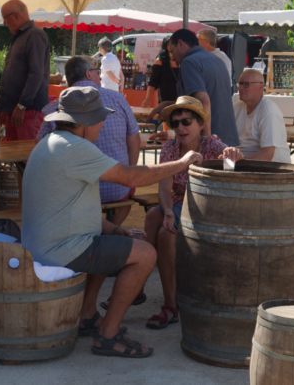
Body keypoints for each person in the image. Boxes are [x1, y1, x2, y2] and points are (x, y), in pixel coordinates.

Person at [22, 86, 204, 358]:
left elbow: (71, 210)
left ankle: (87, 315)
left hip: (43, 245)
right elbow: (132, 177)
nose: (103, 124)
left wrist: (118, 229)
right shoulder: (76, 148)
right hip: (60, 250)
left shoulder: (49, 143)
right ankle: (108, 335)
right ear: (84, 123)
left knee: (113, 242)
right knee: (145, 255)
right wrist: (182, 163)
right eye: (100, 118)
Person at [141, 96, 241, 330]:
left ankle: (149, 291)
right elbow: (164, 189)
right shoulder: (170, 147)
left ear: (201, 125)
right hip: (178, 206)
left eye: (187, 121)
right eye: (175, 124)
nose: (181, 128)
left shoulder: (212, 146)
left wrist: (235, 155)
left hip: (202, 208)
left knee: (160, 228)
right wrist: (167, 211)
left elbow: (233, 163)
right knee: (156, 218)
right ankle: (166, 301)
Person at [37, 56, 140, 225]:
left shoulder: (52, 108)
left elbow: (40, 148)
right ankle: (110, 230)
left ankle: (103, 231)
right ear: (89, 74)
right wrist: (130, 176)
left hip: (74, 192)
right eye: (97, 72)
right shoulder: (117, 98)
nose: (100, 76)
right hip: (118, 187)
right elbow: (134, 139)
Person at [148, 29, 240, 147]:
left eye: (171, 51)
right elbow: (206, 100)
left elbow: (203, 100)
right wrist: (168, 104)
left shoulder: (189, 62)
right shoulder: (217, 60)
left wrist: (206, 141)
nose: (172, 57)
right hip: (228, 138)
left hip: (210, 141)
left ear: (181, 44)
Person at [0, 0, 50, 141]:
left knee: (29, 156)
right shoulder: (19, 36)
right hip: (16, 108)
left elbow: (36, 73)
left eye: (5, 18)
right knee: (13, 155)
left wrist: (22, 106)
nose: (4, 23)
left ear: (16, 15)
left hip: (28, 109)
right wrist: (5, 107)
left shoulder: (34, 34)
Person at [232, 68, 291, 163]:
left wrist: (240, 163)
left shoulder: (269, 111)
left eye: (246, 84)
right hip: (244, 164)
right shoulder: (236, 107)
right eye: (240, 84)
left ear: (260, 87)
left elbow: (267, 155)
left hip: (272, 169)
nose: (241, 88)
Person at [141, 36, 179, 108]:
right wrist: (147, 100)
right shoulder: (160, 62)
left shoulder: (183, 61)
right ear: (167, 48)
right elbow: (153, 83)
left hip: (182, 102)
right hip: (166, 101)